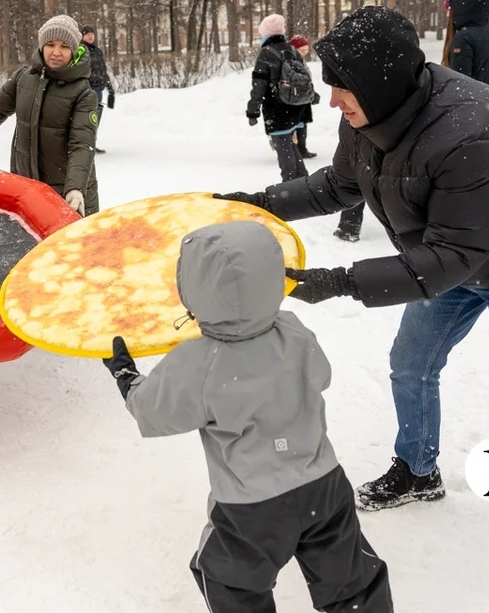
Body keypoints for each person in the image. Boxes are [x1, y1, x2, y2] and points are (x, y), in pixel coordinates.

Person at [216, 6, 489, 606]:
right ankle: (418, 469)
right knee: (410, 364)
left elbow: (454, 257)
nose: (332, 100)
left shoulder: (472, 127)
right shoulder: (366, 119)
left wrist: (340, 280)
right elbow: (337, 186)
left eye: (341, 86)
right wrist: (256, 205)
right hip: (452, 254)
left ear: (381, 83)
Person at [103, 221, 393, 613]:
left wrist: (127, 378)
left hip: (252, 508)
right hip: (323, 485)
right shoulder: (294, 332)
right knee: (351, 582)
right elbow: (321, 377)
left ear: (193, 287)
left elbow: (153, 412)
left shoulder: (197, 362)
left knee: (229, 580)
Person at [0, 14, 99, 216]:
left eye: (64, 46)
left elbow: (81, 145)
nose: (56, 52)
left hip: (69, 195)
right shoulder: (24, 79)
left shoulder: (83, 93)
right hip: (27, 188)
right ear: (42, 45)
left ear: (74, 50)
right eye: (51, 44)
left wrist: (75, 188)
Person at [248, 14, 308, 183]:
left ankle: (289, 191)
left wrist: (252, 111)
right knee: (289, 143)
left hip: (277, 107)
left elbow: (258, 85)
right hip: (296, 105)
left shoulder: (266, 53)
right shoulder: (292, 50)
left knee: (283, 147)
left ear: (266, 34)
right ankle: (304, 183)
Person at [79, 25, 116, 153]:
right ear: (82, 36)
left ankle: (91, 144)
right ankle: (83, 146)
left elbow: (103, 71)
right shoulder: (81, 50)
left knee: (95, 119)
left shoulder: (97, 51)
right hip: (88, 90)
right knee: (87, 119)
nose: (90, 36)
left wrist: (110, 88)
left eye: (92, 33)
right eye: (87, 34)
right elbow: (79, 70)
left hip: (98, 90)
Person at [289, 35, 318, 159]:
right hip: (294, 98)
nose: (305, 53)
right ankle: (292, 150)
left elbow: (306, 80)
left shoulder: (301, 61)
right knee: (293, 124)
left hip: (303, 98)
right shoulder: (290, 61)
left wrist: (312, 93)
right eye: (302, 50)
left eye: (306, 50)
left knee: (302, 123)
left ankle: (302, 148)